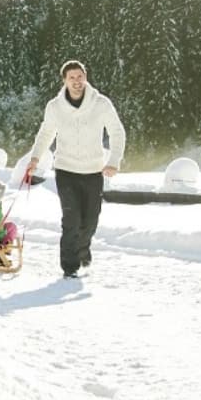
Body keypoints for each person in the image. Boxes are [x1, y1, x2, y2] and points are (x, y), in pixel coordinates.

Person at [17, 59, 126, 280]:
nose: (76, 81)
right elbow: (46, 133)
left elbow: (117, 131)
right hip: (65, 170)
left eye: (80, 76)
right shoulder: (55, 107)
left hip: (93, 171)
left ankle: (83, 249)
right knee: (71, 219)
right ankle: (70, 267)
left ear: (86, 78)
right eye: (71, 77)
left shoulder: (101, 103)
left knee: (90, 221)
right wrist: (35, 157)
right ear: (64, 81)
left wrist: (114, 160)